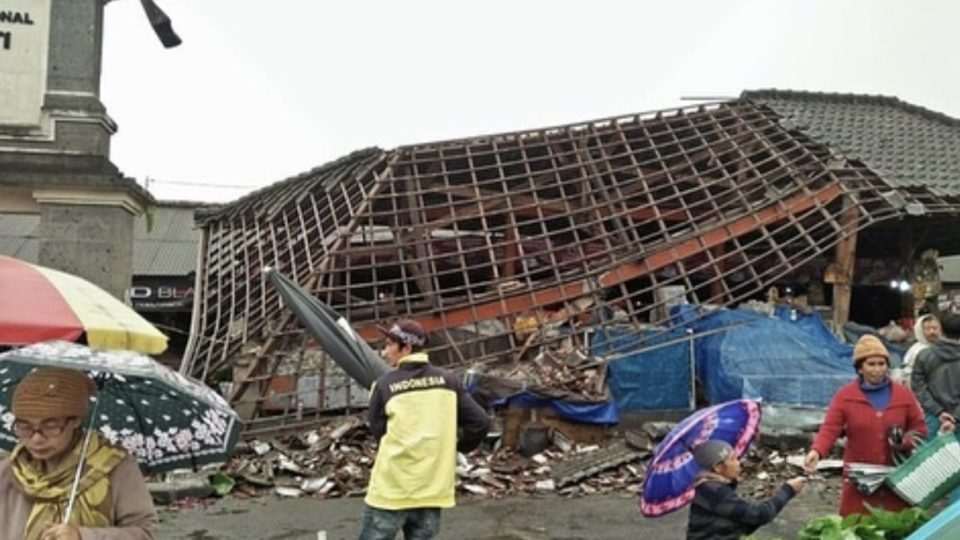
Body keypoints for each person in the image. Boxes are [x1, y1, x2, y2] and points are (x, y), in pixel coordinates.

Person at [360, 319, 491, 540]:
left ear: (407, 348)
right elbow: (480, 423)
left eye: (390, 345)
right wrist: (457, 448)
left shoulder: (384, 385)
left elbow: (379, 432)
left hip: (392, 489)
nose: (384, 352)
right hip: (431, 489)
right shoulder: (449, 382)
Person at [0, 367, 157, 540]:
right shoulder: (10, 471)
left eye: (50, 426)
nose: (36, 439)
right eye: (25, 427)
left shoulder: (114, 466)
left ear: (76, 420)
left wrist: (83, 536)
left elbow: (144, 533)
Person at [804, 334, 927, 516]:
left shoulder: (903, 395)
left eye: (881, 364)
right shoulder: (845, 396)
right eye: (871, 364)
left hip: (897, 480)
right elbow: (830, 428)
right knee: (857, 528)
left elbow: (919, 429)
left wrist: (905, 442)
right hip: (860, 481)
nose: (877, 369)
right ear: (860, 369)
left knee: (895, 527)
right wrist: (817, 451)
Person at [686, 440, 806, 540]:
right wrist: (788, 490)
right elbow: (760, 515)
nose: (739, 463)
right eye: (733, 459)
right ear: (718, 467)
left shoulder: (713, 486)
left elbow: (746, 520)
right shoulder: (713, 490)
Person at [895, 314, 941, 388]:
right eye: (928, 329)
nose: (932, 332)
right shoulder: (915, 350)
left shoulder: (944, 347)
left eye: (935, 328)